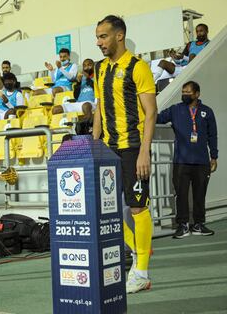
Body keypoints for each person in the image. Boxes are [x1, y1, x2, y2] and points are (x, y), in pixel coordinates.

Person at [92, 15, 157, 294]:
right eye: (98, 37)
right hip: (108, 150)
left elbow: (151, 112)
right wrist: (94, 147)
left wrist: (145, 152)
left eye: (103, 36)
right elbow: (98, 108)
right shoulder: (99, 69)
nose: (99, 42)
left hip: (132, 148)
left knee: (137, 207)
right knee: (107, 211)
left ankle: (141, 270)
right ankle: (140, 252)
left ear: (119, 36)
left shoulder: (138, 66)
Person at [157, 81, 218, 238]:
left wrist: (214, 156)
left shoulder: (207, 112)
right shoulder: (175, 110)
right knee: (181, 195)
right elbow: (157, 118)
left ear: (197, 94)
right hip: (181, 161)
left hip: (202, 162)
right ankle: (183, 225)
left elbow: (213, 136)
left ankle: (198, 224)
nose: (184, 94)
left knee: (200, 195)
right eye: (183, 92)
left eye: (188, 92)